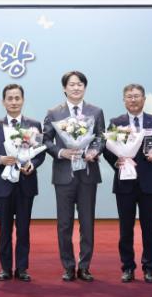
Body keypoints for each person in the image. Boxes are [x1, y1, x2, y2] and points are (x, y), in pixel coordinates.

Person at [103, 83, 152, 283]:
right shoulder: (116, 122)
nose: (133, 100)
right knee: (125, 229)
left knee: (148, 228)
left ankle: (149, 268)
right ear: (124, 100)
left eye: (136, 96)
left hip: (149, 183)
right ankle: (127, 268)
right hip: (124, 183)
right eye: (129, 96)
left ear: (144, 99)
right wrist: (116, 162)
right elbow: (106, 148)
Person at [43, 70, 105, 282]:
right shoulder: (54, 113)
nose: (76, 88)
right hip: (63, 175)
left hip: (88, 174)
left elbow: (101, 137)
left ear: (84, 87)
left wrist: (94, 151)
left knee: (87, 223)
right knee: (64, 224)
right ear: (64, 88)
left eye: (80, 84)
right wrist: (61, 152)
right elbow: (46, 140)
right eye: (72, 84)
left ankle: (85, 266)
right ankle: (68, 266)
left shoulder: (96, 111)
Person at [0, 84, 45, 282]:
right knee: (4, 229)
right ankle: (5, 268)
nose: (13, 102)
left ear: (23, 100)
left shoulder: (34, 125)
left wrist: (32, 164)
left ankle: (21, 268)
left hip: (25, 183)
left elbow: (40, 153)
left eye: (17, 98)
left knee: (23, 229)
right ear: (3, 102)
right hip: (3, 184)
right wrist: (0, 159)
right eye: (9, 98)